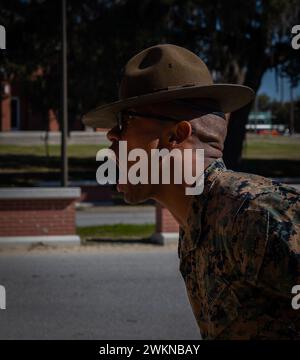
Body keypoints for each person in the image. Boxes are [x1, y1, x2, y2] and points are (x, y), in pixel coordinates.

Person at [82, 44, 300, 339]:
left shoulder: (256, 215)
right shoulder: (196, 224)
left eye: (124, 123)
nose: (111, 137)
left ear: (175, 135)